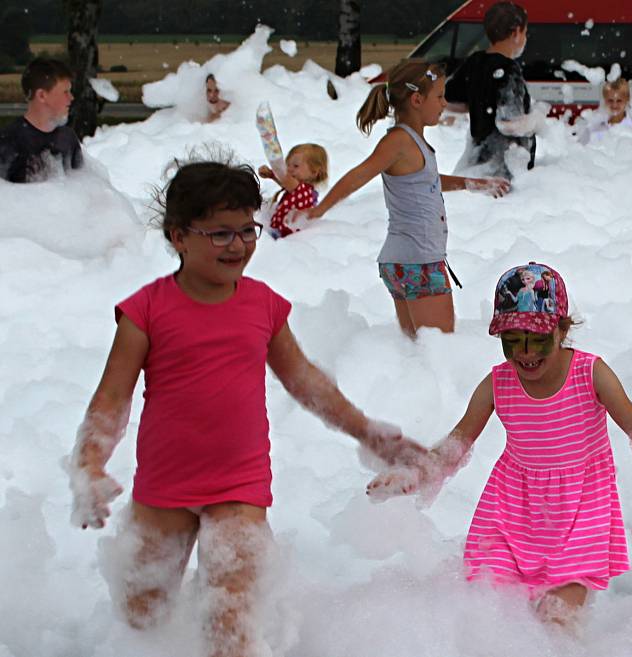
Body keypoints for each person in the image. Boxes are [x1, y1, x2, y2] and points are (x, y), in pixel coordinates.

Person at [65, 159, 426, 657]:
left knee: (230, 620)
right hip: (165, 485)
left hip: (238, 483)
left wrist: (366, 430)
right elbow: (111, 398)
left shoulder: (262, 306)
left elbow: (304, 381)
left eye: (247, 230)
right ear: (178, 237)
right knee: (142, 615)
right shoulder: (145, 311)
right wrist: (88, 463)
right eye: (219, 233)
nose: (237, 245)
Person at [367, 262, 632, 626]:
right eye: (511, 341)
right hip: (512, 510)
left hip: (580, 511)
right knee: (489, 609)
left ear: (563, 329)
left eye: (537, 339)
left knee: (555, 618)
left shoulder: (590, 374)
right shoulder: (497, 383)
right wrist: (414, 474)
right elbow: (456, 444)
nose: (524, 353)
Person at [304, 60, 510, 338]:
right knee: (438, 350)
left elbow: (429, 181)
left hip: (404, 262)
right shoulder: (399, 142)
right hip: (419, 262)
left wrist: (474, 184)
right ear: (416, 99)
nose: (443, 103)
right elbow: (359, 174)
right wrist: (319, 210)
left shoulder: (412, 142)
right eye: (439, 96)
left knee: (415, 351)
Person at [445, 1, 536, 179]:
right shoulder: (509, 70)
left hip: (478, 161)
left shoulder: (474, 61)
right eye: (525, 32)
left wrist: (476, 105)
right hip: (505, 169)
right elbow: (508, 124)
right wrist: (536, 122)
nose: (525, 39)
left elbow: (448, 101)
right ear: (516, 32)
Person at [0, 58, 83, 183]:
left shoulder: (67, 138)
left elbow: (83, 186)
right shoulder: (8, 141)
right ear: (42, 96)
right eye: (65, 92)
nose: (71, 98)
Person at [258, 143, 328, 239]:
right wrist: (271, 175)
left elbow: (286, 182)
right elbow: (286, 184)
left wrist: (274, 171)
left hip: (288, 235)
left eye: (295, 166)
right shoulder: (301, 189)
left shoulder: (303, 190)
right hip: (283, 232)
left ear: (314, 172)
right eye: (287, 165)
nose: (289, 169)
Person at [577, 78, 632, 144]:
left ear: (627, 100)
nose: (614, 105)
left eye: (619, 101)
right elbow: (580, 149)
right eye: (610, 100)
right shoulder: (594, 126)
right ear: (604, 100)